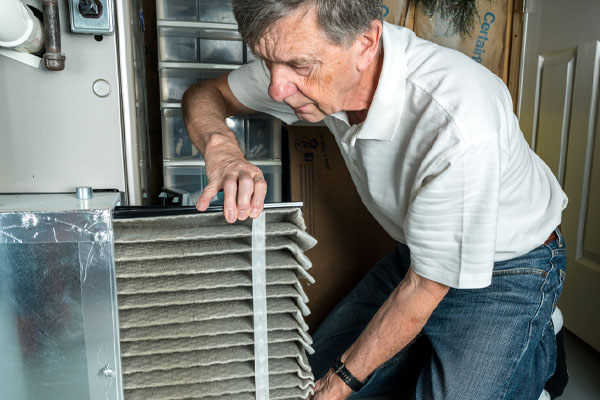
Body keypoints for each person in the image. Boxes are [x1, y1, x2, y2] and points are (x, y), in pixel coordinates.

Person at [181, 1, 568, 398]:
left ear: (366, 43)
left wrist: (339, 384)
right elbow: (205, 94)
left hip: (510, 267)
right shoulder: (302, 56)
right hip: (419, 254)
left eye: (299, 66)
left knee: (336, 387)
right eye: (266, 61)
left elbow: (423, 288)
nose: (277, 88)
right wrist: (223, 149)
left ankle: (537, 340)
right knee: (299, 385)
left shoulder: (459, 121)